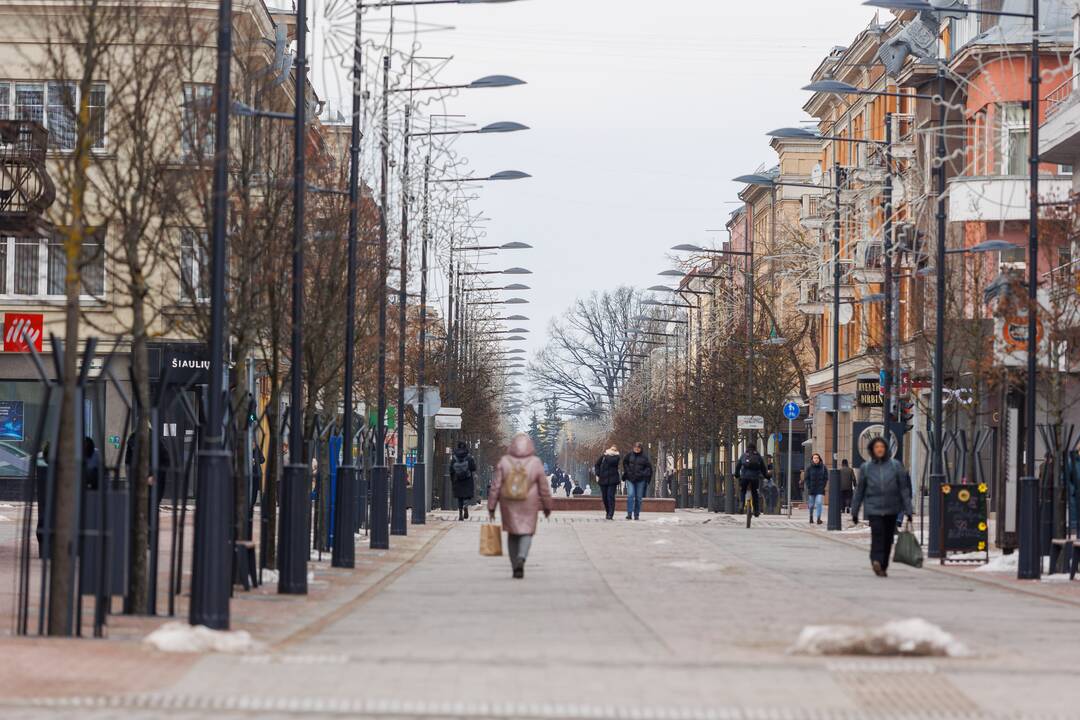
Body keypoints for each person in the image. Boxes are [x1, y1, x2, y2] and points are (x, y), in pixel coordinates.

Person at [488, 432, 553, 578]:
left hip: (508, 501)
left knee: (512, 533)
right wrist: (547, 506)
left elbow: (496, 486)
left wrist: (491, 506)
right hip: (528, 502)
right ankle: (521, 557)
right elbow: (544, 487)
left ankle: (514, 565)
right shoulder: (535, 462)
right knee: (527, 531)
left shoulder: (504, 461)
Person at [851, 437, 913, 578]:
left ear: (886, 449)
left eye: (882, 447)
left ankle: (883, 565)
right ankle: (876, 560)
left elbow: (904, 489)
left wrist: (908, 510)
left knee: (888, 538)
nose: (879, 449)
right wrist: (854, 512)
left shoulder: (895, 466)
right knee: (878, 535)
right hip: (874, 508)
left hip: (892, 508)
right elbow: (859, 491)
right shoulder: (866, 468)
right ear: (872, 450)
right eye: (876, 447)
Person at [622, 442, 653, 520]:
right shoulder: (629, 455)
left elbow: (648, 468)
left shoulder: (645, 457)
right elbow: (625, 463)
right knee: (630, 495)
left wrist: (643, 474)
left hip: (640, 480)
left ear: (641, 448)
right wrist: (628, 472)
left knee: (639, 498)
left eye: (638, 447)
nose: (636, 449)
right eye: (635, 447)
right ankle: (629, 514)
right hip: (630, 479)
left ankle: (636, 514)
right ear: (633, 448)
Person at [735, 445, 768, 517]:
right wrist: (766, 476)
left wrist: (737, 475)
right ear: (755, 448)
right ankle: (756, 510)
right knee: (755, 492)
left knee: (743, 490)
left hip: (744, 477)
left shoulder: (744, 455)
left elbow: (738, 466)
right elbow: (763, 468)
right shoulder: (758, 456)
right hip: (755, 478)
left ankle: (741, 505)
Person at [449, 441, 477, 521]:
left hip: (457, 479)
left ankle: (460, 513)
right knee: (466, 495)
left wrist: (452, 479)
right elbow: (473, 468)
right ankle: (465, 505)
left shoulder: (454, 457)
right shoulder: (469, 457)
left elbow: (451, 469)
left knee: (459, 497)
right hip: (467, 479)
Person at [594, 445, 621, 520]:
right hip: (603, 479)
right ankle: (608, 511)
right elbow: (597, 465)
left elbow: (612, 462)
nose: (613, 450)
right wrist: (598, 473)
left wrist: (606, 455)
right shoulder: (603, 456)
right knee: (604, 497)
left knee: (610, 496)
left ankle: (611, 513)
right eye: (612, 449)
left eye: (614, 450)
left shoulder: (616, 457)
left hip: (613, 480)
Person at [803, 453, 828, 525]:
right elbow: (806, 478)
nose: (816, 459)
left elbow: (826, 478)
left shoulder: (823, 467)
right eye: (814, 458)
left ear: (819, 459)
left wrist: (823, 485)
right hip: (812, 489)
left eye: (817, 458)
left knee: (819, 502)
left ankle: (818, 518)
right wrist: (809, 486)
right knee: (811, 505)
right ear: (812, 459)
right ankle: (811, 516)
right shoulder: (809, 468)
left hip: (820, 489)